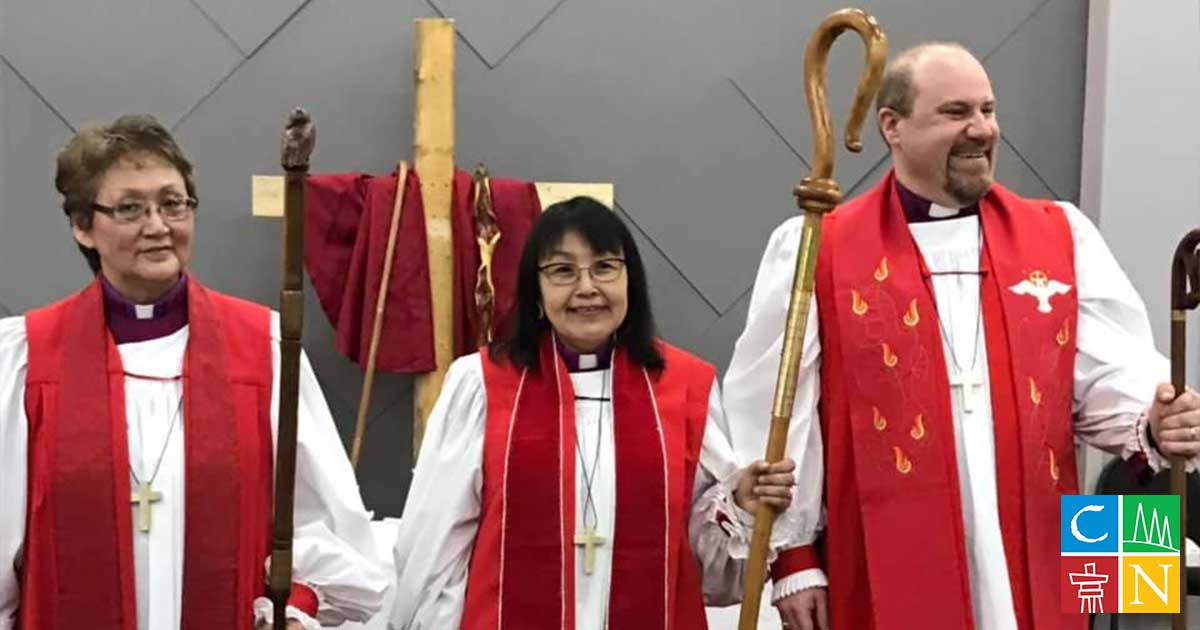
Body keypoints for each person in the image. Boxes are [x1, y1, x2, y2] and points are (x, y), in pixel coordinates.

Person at [723, 42, 1200, 630]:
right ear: (892, 127)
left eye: (988, 109)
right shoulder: (817, 247)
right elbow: (777, 411)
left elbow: (1111, 374)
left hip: (1045, 539)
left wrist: (1152, 420)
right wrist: (793, 559)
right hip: (879, 550)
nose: (981, 129)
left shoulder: (1058, 234)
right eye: (956, 112)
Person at [0, 114, 390, 630]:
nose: (157, 226)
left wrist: (296, 604)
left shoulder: (265, 348)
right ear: (82, 226)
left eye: (172, 203)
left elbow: (321, 524)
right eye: (130, 208)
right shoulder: (27, 359)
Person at [390, 196, 809, 630]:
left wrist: (740, 503)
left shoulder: (686, 387)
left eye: (605, 267)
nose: (586, 288)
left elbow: (711, 569)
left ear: (631, 281)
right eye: (563, 271)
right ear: (536, 290)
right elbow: (433, 547)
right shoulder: (480, 384)